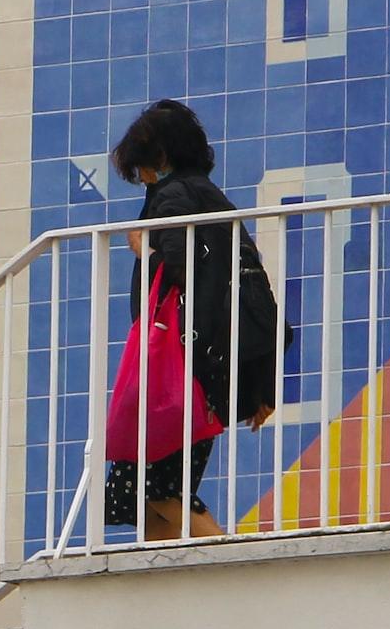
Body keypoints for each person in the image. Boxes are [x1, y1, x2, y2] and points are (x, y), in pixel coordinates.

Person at [105, 99, 280, 539]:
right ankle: (169, 584)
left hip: (182, 367)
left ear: (159, 157)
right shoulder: (212, 199)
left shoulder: (175, 197)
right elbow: (251, 291)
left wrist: (141, 247)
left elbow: (183, 273)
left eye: (141, 167)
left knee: (156, 487)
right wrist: (260, 383)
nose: (141, 178)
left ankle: (232, 564)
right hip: (208, 366)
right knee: (139, 492)